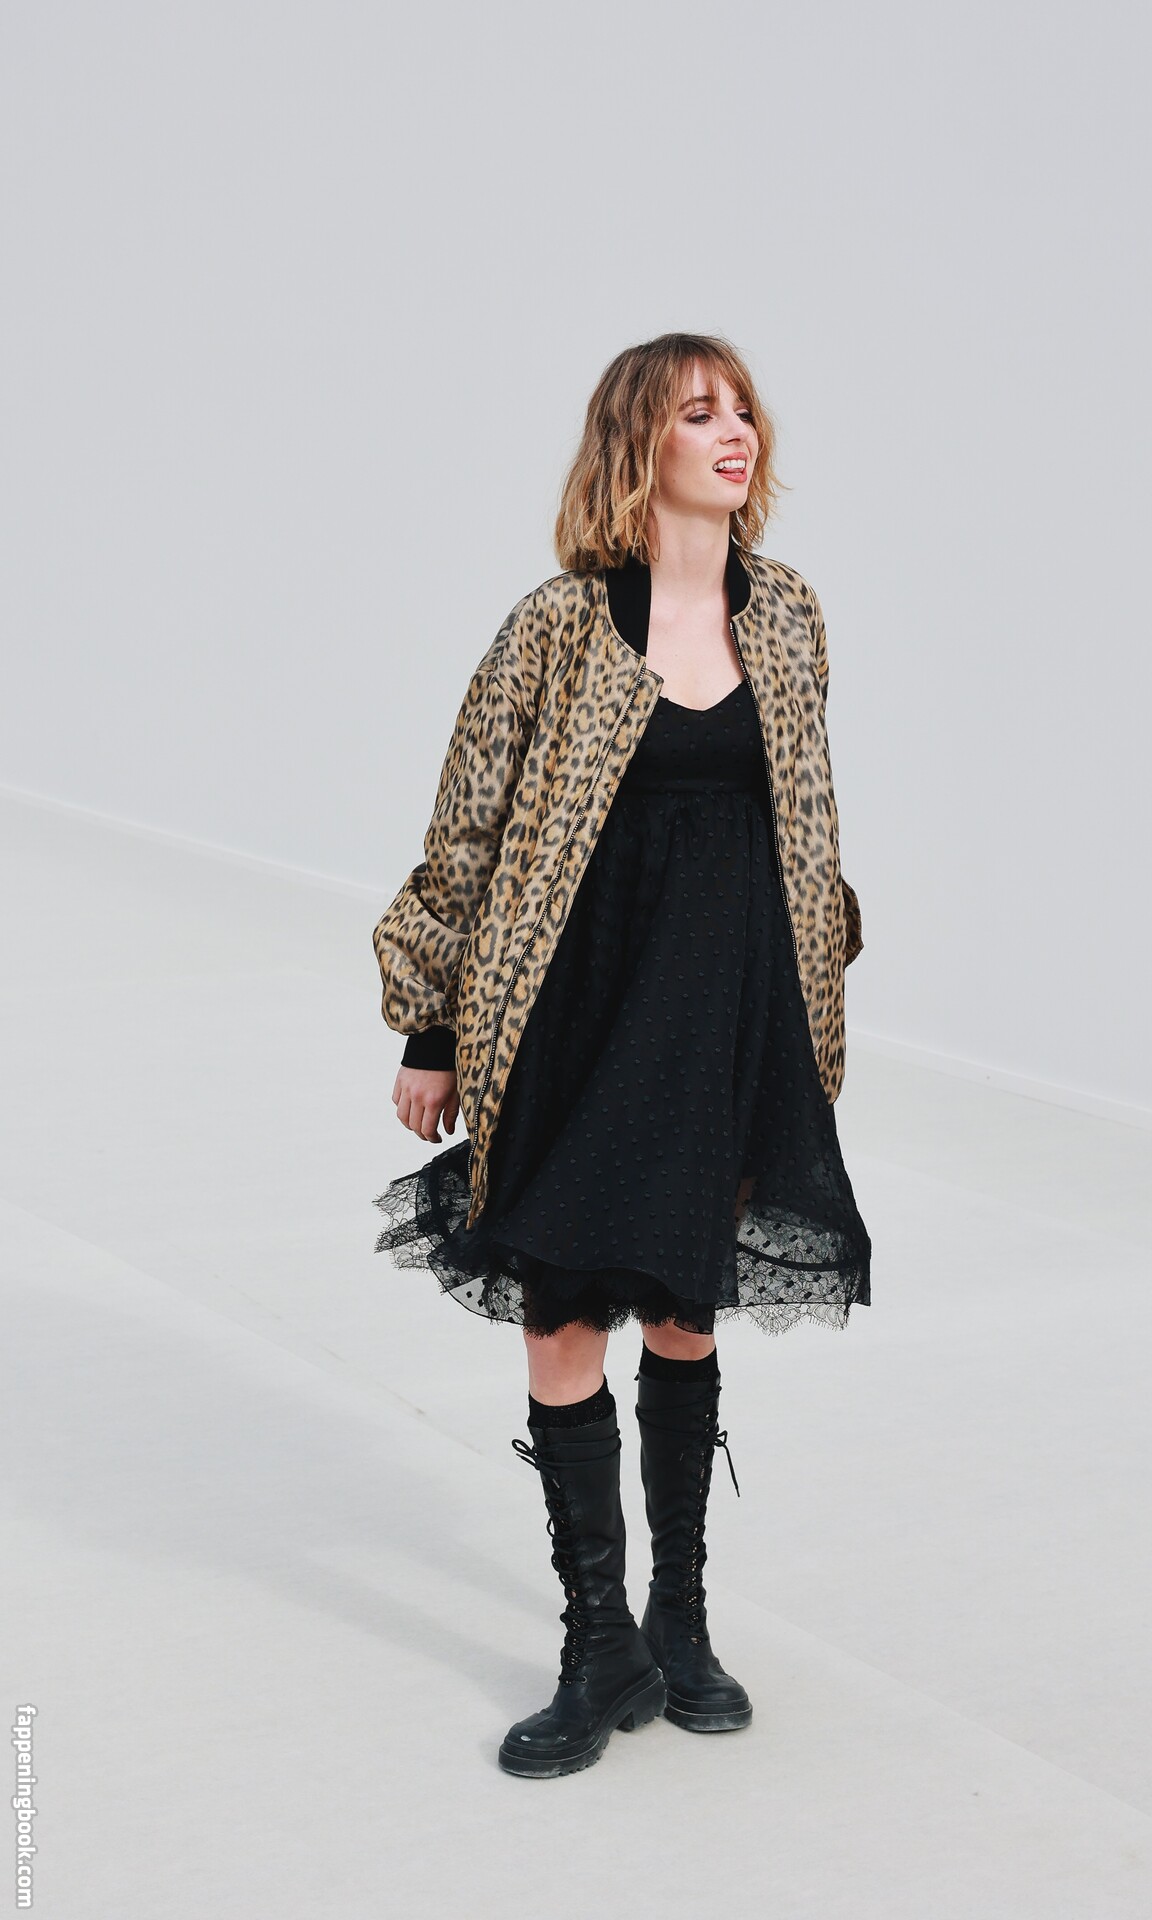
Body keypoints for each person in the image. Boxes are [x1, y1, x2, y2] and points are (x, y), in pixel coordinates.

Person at [371, 331, 871, 1778]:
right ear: (636, 444)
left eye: (743, 409)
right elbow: (468, 826)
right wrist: (432, 1025)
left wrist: (819, 966)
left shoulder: (791, 617)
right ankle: (598, 1643)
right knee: (562, 1315)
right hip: (577, 1007)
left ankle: (680, 1621)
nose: (735, 432)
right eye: (699, 413)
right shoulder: (557, 625)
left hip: (726, 1010)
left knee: (684, 1312)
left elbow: (808, 817)